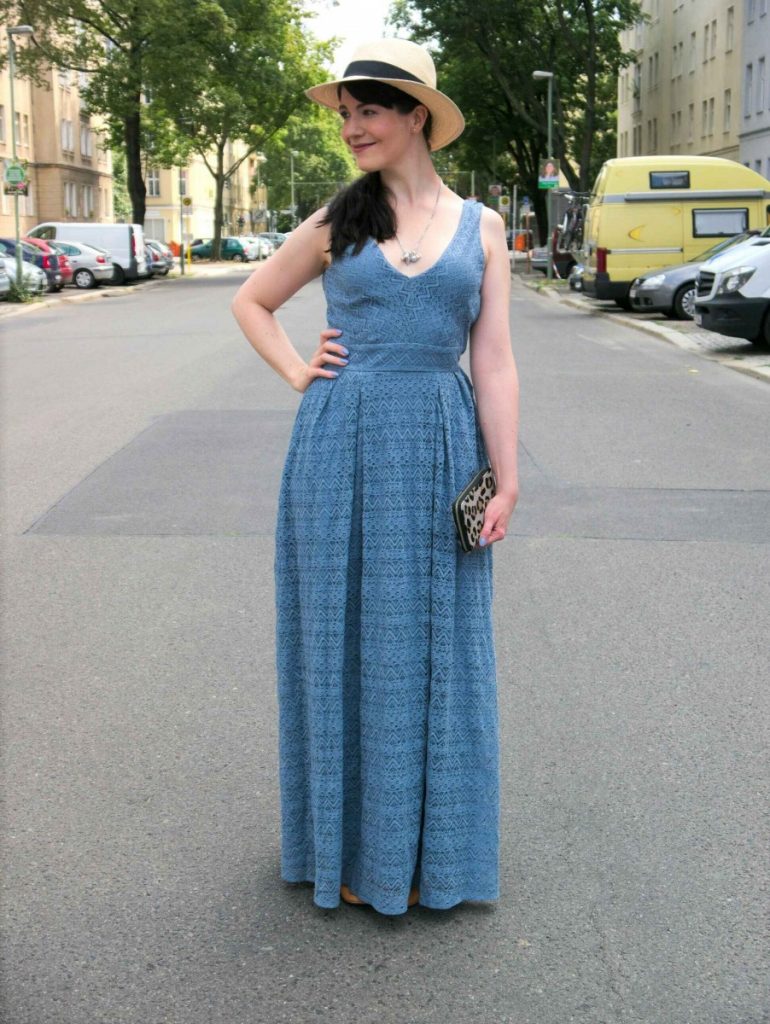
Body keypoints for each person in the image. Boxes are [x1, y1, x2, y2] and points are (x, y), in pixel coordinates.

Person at [232, 38, 519, 916]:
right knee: (344, 644)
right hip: (340, 446)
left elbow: (495, 359)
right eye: (347, 113)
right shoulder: (337, 219)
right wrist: (295, 370)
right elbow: (252, 298)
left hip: (440, 446)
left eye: (370, 110)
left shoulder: (483, 226)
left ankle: (429, 850)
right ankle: (350, 850)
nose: (352, 127)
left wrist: (505, 481)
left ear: (416, 117)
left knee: (436, 647)